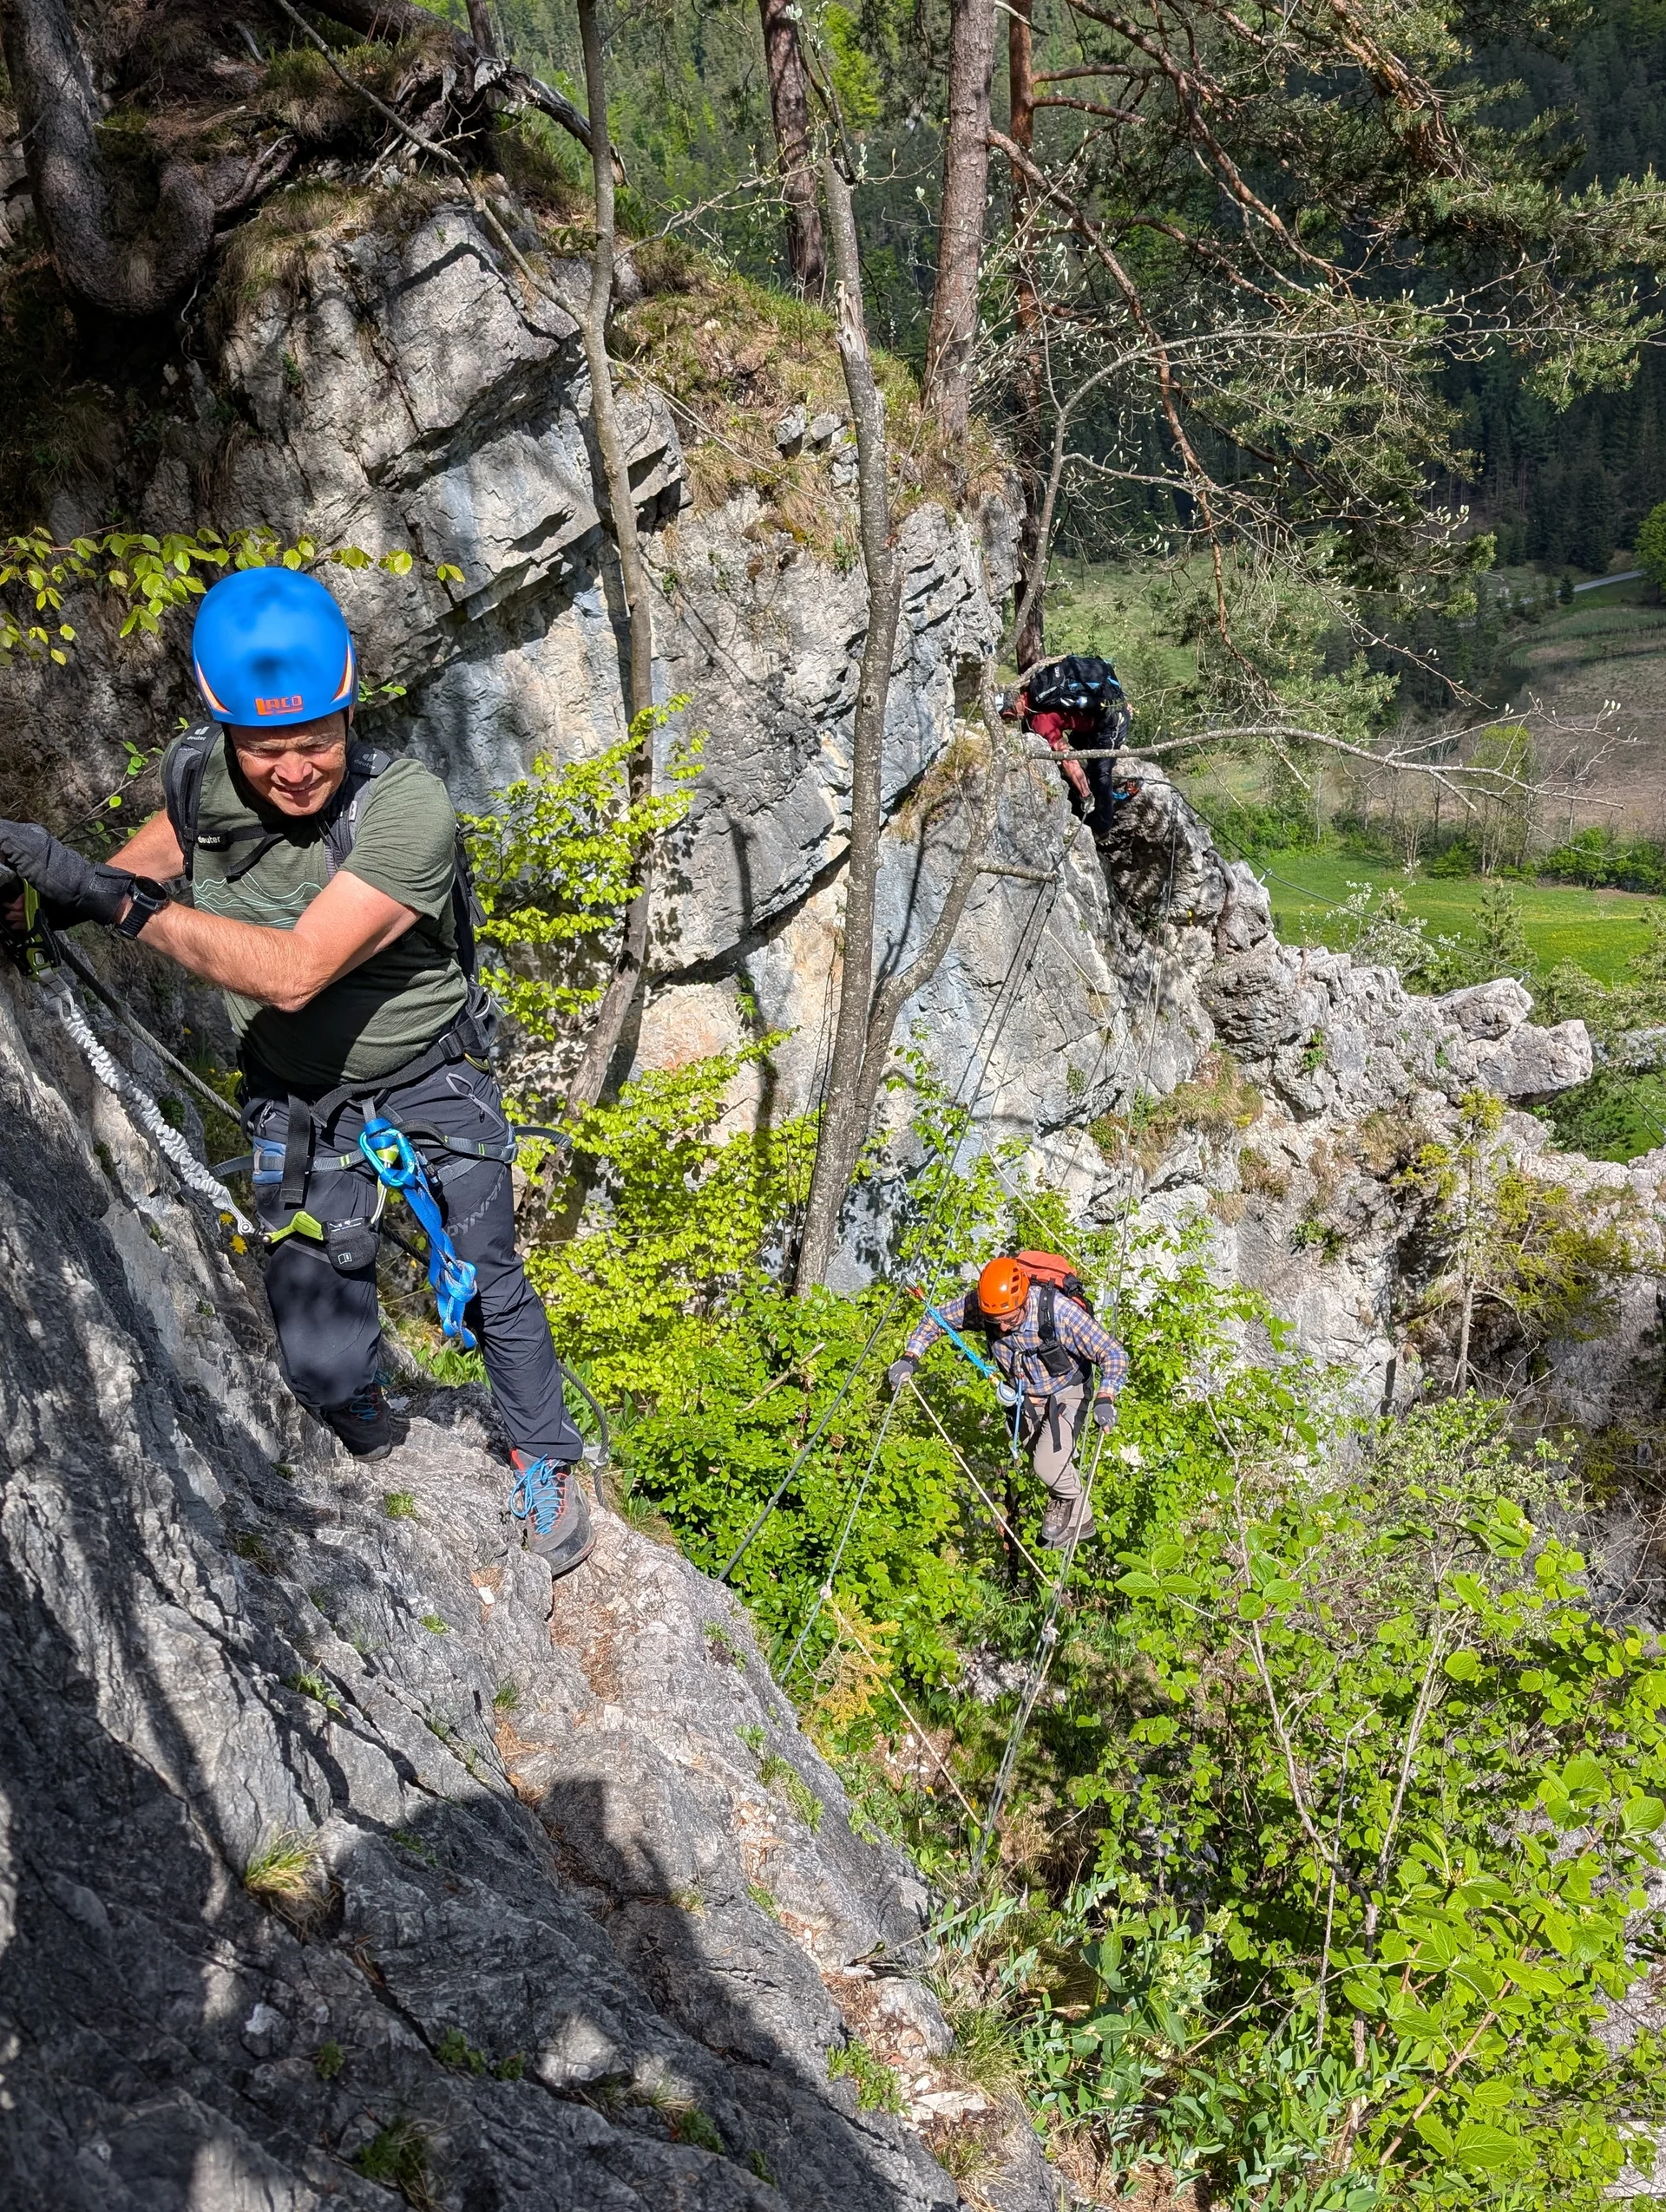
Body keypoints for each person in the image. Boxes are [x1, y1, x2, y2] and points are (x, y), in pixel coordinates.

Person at [0, 566, 592, 1576]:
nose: (296, 770)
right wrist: (55, 895)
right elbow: (162, 852)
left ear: (350, 702)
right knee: (319, 1347)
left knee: (487, 1269)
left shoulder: (407, 810)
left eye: (316, 740)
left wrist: (112, 907)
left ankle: (543, 1455)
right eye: (268, 748)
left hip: (426, 1075)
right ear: (224, 727)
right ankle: (353, 1386)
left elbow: (295, 973)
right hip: (297, 1091)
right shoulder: (204, 779)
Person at [886, 1255, 1127, 1549]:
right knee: (1038, 1456)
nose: (1001, 1328)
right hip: (1025, 1397)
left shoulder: (1059, 1313)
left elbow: (1113, 1354)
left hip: (1067, 1390)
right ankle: (1081, 1520)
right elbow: (935, 1320)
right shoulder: (982, 1306)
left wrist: (1106, 1397)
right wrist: (911, 1356)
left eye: (1009, 1319)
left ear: (1024, 1300)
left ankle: (1065, 1500)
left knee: (1048, 1467)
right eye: (994, 1322)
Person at [1005, 654, 1137, 843]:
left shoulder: (1039, 720)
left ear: (1013, 709)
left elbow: (1067, 757)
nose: (1011, 720)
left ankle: (1102, 828)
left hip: (1111, 721)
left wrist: (1085, 794)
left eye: (1008, 717)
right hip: (1098, 718)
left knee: (1100, 774)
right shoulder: (1038, 688)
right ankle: (1109, 795)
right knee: (1090, 761)